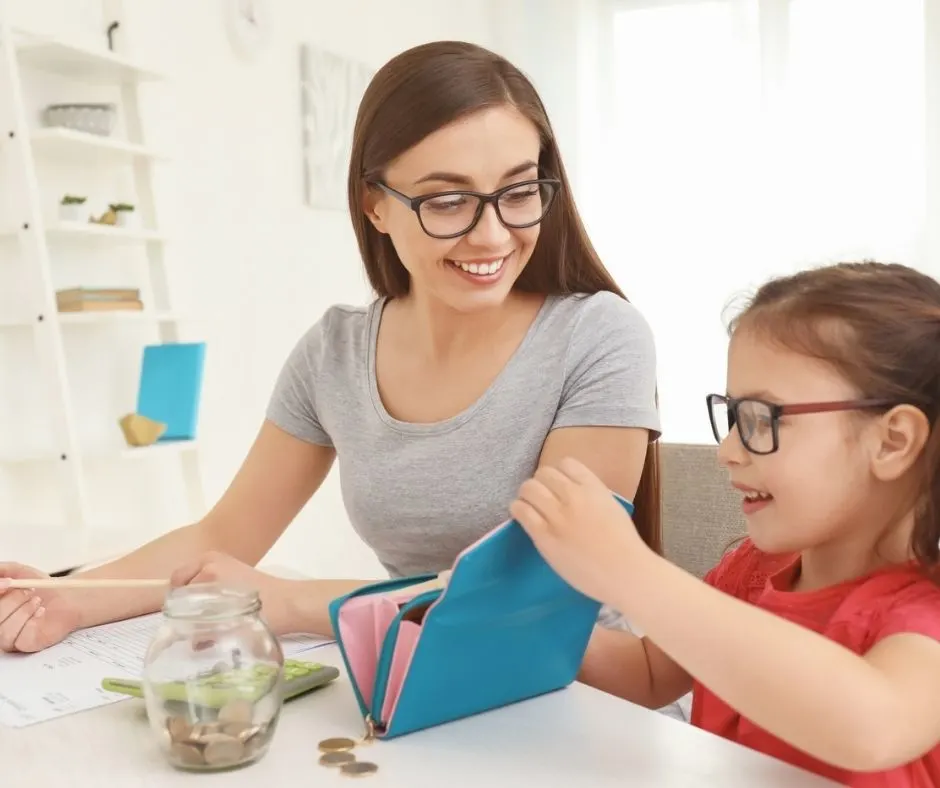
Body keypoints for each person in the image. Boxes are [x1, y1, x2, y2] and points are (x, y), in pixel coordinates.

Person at [0, 40, 662, 676]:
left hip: (580, 694)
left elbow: (530, 589)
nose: (491, 234)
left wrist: (287, 599)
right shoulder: (336, 353)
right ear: (376, 205)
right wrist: (71, 596)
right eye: (448, 200)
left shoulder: (599, 337)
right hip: (420, 679)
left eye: (518, 191)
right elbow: (224, 534)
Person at [511, 260, 940, 786]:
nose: (729, 451)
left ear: (892, 441)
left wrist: (629, 568)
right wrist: (520, 618)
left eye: (761, 420)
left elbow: (874, 725)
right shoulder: (751, 571)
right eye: (734, 418)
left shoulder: (925, 611)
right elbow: (648, 674)